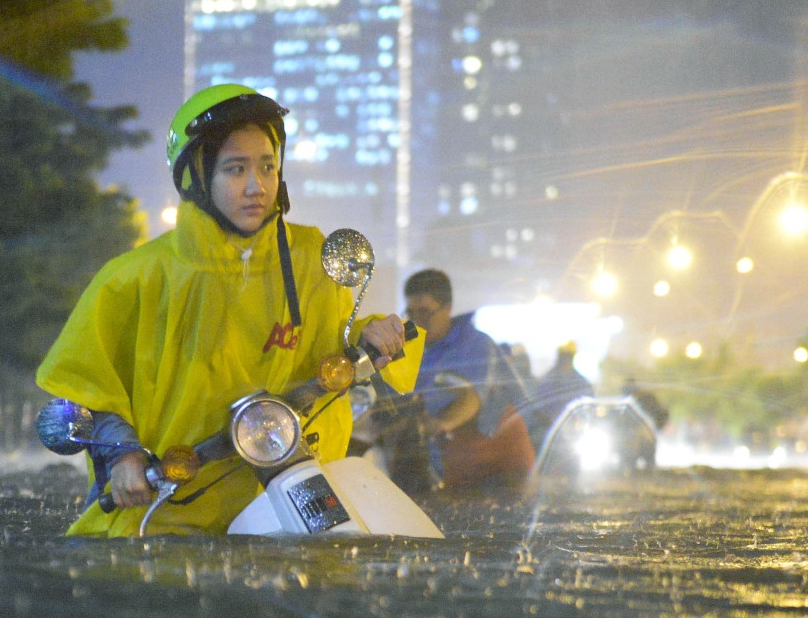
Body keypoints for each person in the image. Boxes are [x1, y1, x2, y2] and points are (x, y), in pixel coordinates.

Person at [35, 83, 419, 537]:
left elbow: (341, 336)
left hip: (293, 493)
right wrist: (123, 456)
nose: (257, 186)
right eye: (236, 169)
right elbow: (87, 386)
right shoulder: (133, 278)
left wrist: (378, 336)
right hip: (171, 510)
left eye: (268, 166)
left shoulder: (312, 258)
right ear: (197, 177)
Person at [390, 269, 535, 493]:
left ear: (448, 308)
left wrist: (436, 425)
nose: (417, 321)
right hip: (456, 464)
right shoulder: (412, 350)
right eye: (411, 313)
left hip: (501, 467)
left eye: (425, 312)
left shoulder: (476, 345)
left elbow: (471, 400)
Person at [529, 341, 594, 448]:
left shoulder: (581, 383)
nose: (566, 360)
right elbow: (538, 411)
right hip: (549, 437)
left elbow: (589, 411)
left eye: (568, 356)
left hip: (575, 440)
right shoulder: (547, 381)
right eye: (564, 355)